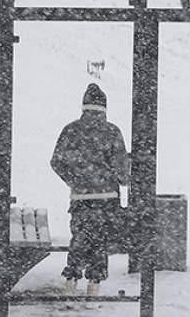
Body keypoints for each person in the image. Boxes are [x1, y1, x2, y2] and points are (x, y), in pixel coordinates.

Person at [50, 83, 130, 296]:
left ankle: (71, 281)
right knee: (100, 242)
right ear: (104, 107)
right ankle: (94, 286)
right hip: (107, 197)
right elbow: (123, 171)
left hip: (81, 197)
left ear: (84, 106)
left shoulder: (71, 130)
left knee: (79, 238)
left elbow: (56, 161)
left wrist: (74, 179)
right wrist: (119, 178)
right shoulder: (112, 131)